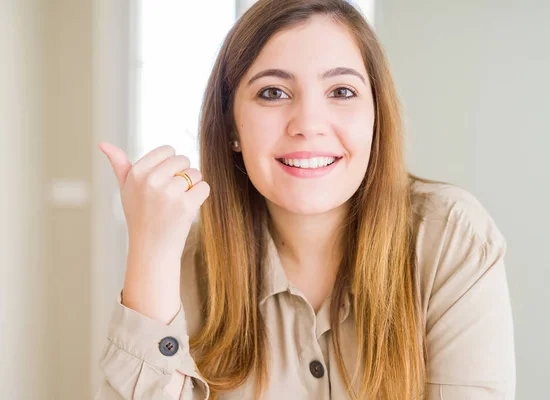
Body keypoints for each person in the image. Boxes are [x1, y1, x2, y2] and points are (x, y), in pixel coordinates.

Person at [95, 0, 515, 399]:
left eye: (342, 91)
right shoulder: (186, 262)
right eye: (273, 92)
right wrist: (151, 253)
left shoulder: (449, 237)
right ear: (231, 127)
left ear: (375, 115)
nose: (309, 124)